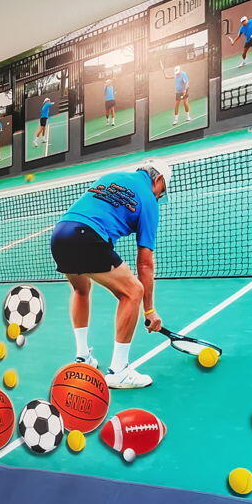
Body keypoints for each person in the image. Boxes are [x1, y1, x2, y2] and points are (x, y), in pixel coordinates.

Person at [47, 159, 169, 389]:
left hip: (60, 234)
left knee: (81, 289)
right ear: (158, 180)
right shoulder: (150, 203)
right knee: (133, 292)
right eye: (161, 192)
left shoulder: (113, 176)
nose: (160, 197)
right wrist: (149, 310)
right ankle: (119, 371)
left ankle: (83, 357)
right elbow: (145, 263)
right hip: (86, 237)